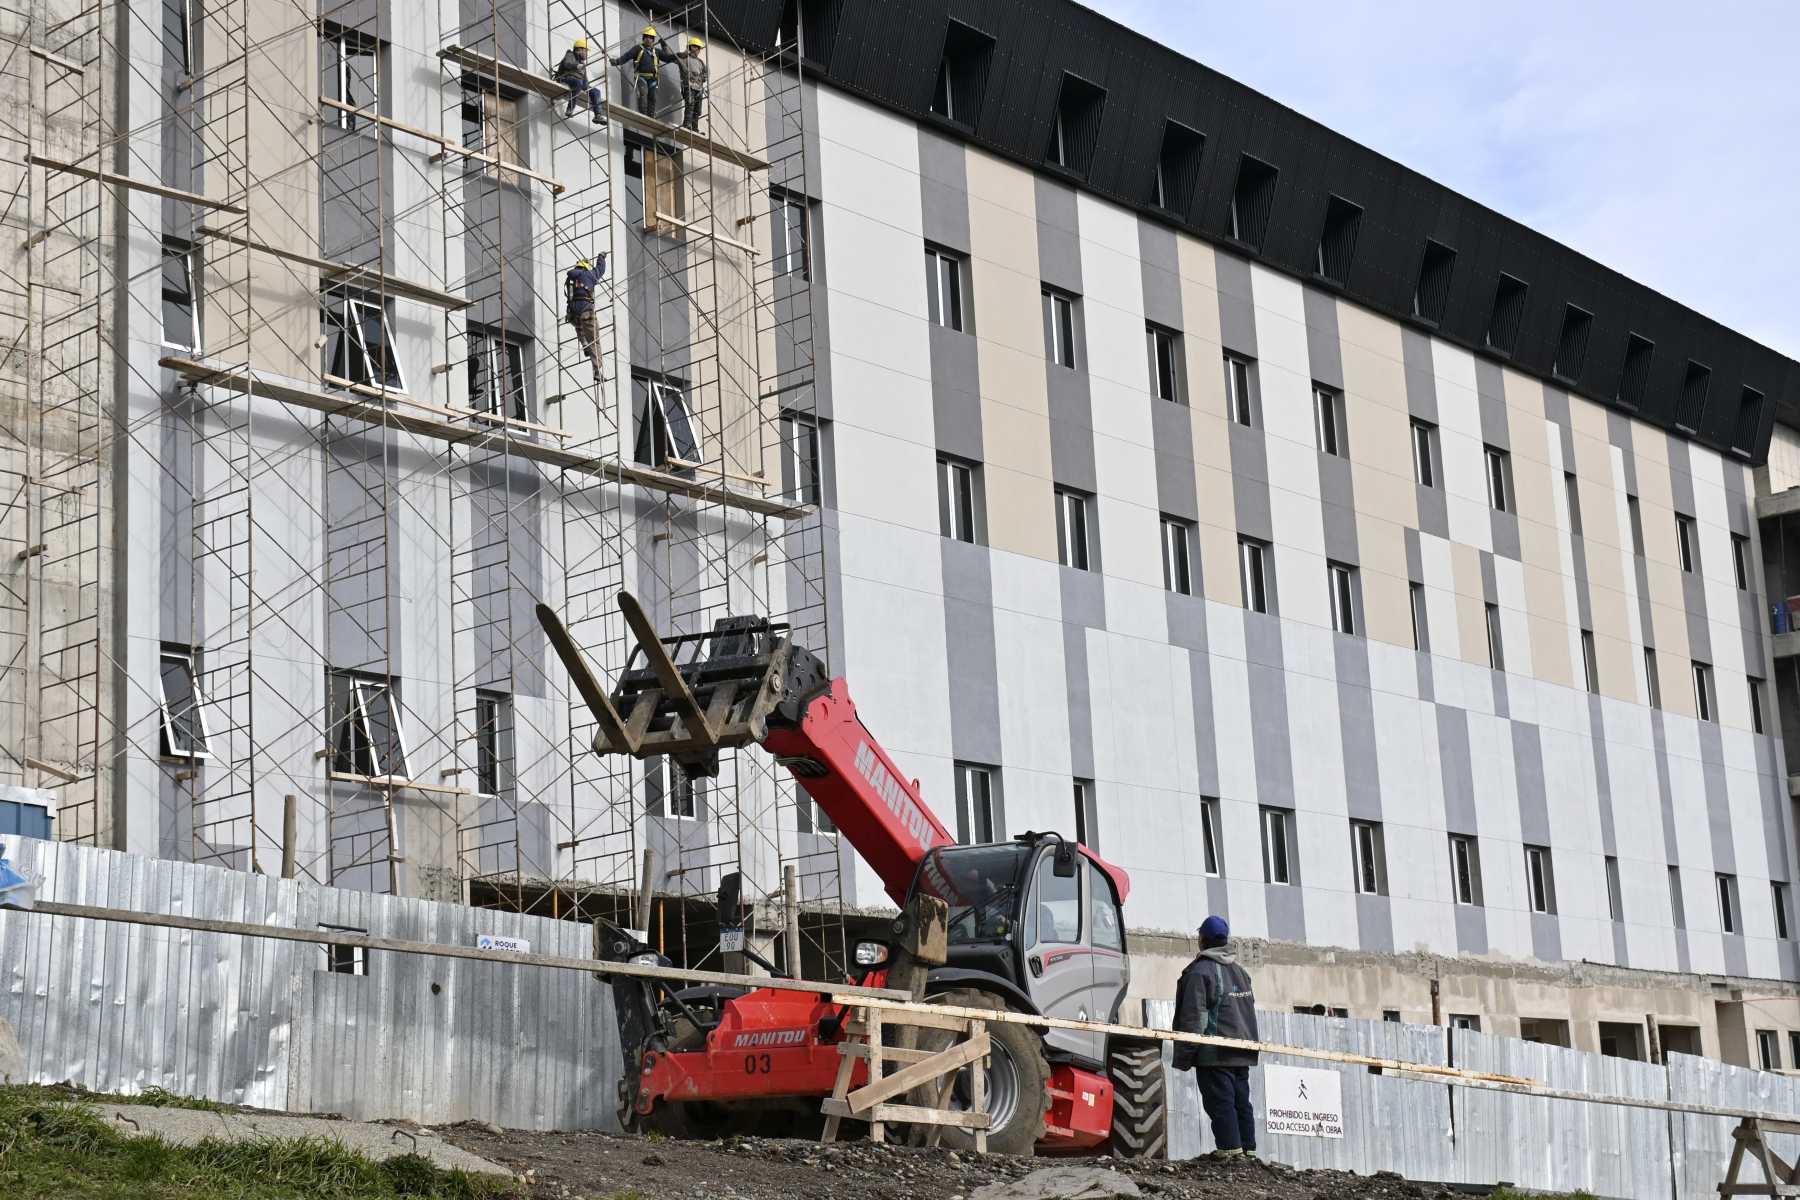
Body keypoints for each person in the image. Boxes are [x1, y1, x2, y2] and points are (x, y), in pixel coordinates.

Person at [1172, 915, 1260, 1159]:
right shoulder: (1240, 972)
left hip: (1216, 1052)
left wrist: (1185, 1056)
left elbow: (1194, 1018)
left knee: (1221, 1103)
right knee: (1242, 1103)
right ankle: (1248, 1150)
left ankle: (1230, 1152)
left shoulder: (1200, 972)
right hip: (1242, 1051)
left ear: (1203, 940)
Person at [613, 26, 675, 118]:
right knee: (643, 94)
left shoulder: (656, 51)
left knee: (652, 97)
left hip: (653, 78)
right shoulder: (638, 49)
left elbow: (668, 58)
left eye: (651, 38)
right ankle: (643, 114)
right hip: (641, 76)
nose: (648, 39)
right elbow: (627, 56)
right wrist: (617, 61)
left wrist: (667, 48)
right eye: (646, 37)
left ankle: (651, 114)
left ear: (653, 40)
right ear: (643, 38)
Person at [564, 253, 607, 384]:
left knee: (579, 327)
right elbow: (601, 269)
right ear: (586, 267)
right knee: (594, 342)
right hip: (586, 311)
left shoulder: (570, 278)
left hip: (572, 313)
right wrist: (601, 257)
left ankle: (584, 344)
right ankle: (597, 371)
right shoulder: (589, 275)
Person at [553, 38, 605, 125]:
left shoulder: (582, 64)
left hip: (578, 82)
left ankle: (598, 115)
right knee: (578, 83)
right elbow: (567, 64)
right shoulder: (570, 54)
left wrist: (588, 88)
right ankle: (570, 109)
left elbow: (584, 81)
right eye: (585, 51)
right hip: (565, 78)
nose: (586, 54)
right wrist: (577, 66)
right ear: (578, 50)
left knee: (596, 91)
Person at [678, 37, 708, 131]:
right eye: (697, 47)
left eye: (699, 48)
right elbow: (672, 58)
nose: (698, 50)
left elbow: (705, 74)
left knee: (697, 110)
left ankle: (695, 128)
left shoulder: (701, 62)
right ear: (691, 47)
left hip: (698, 88)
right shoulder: (685, 59)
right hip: (689, 86)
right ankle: (687, 124)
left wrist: (702, 78)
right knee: (690, 106)